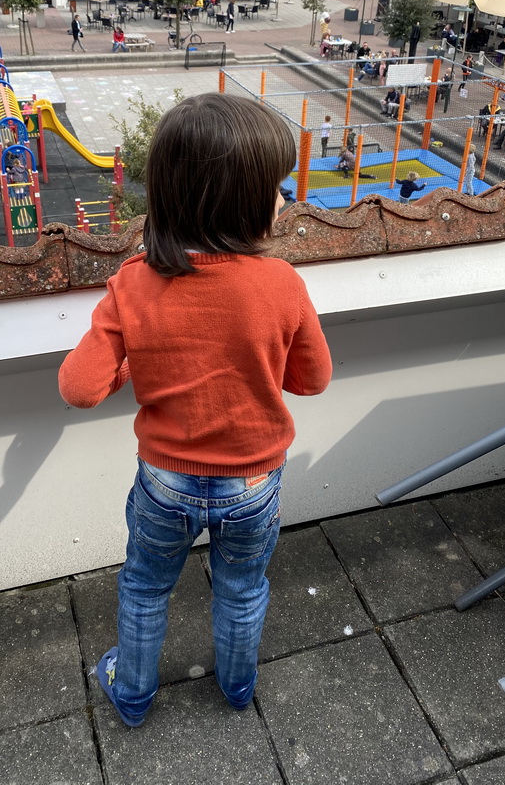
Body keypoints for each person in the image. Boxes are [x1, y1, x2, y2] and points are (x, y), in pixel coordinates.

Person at [58, 93, 332, 727]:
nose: (283, 200)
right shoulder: (282, 284)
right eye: (275, 187)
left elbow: (79, 386)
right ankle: (237, 689)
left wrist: (134, 362)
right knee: (241, 592)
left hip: (164, 484)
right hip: (253, 483)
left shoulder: (132, 282)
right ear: (238, 199)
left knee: (145, 589)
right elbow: (312, 380)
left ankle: (131, 696)